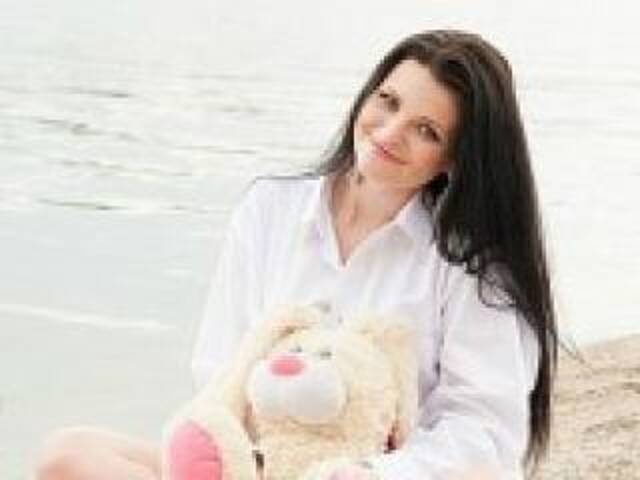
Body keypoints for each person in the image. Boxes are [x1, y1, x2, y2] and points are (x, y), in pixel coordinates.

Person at [35, 29, 557, 480]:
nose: (389, 132)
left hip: (378, 473)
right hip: (263, 460)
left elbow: (486, 430)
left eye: (427, 130)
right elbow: (221, 365)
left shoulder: (470, 264)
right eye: (388, 101)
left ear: (453, 159)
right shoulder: (270, 208)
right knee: (69, 455)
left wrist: (369, 473)